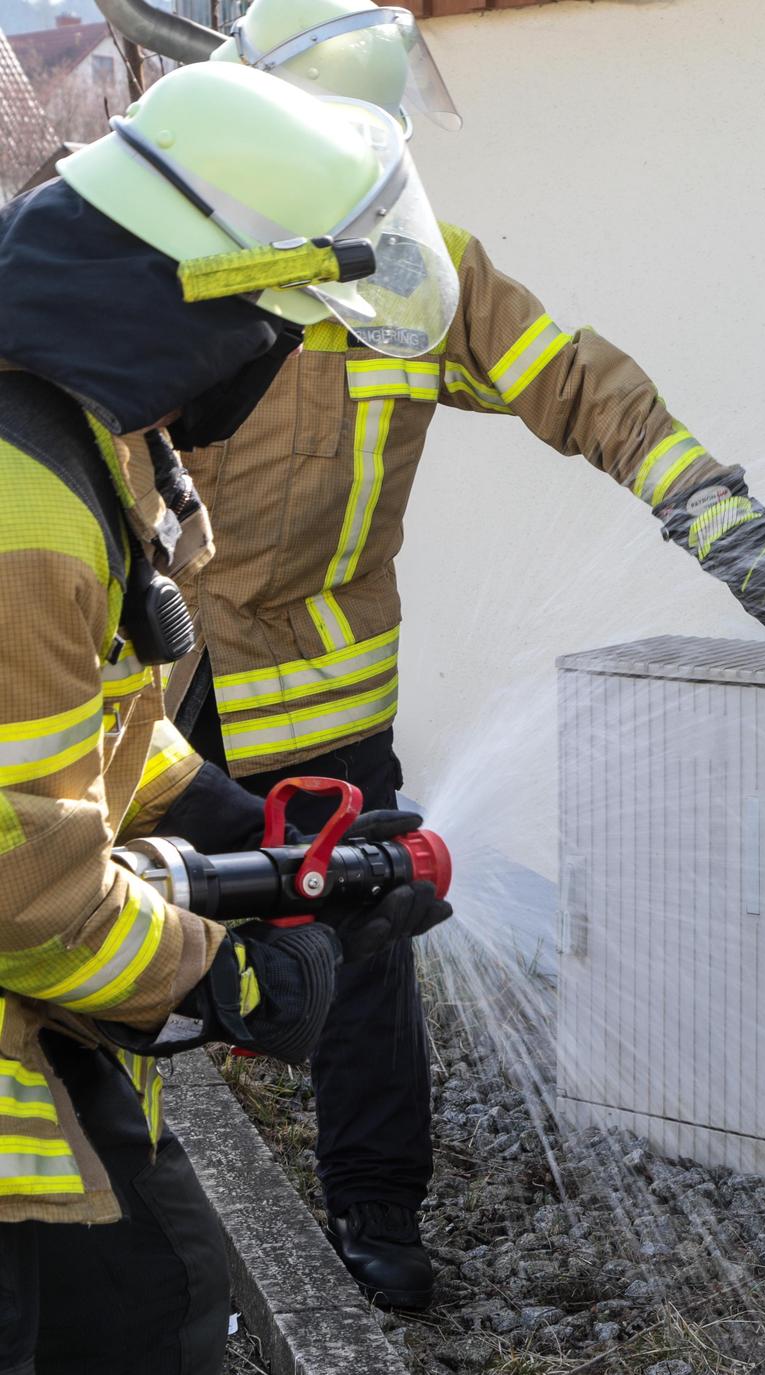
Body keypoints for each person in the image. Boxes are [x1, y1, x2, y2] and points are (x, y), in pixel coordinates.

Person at [135, 0, 765, 1311]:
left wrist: (726, 527)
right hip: (158, 699)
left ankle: (371, 1220)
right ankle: (128, 1226)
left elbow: (580, 383)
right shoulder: (165, 264)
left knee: (363, 957)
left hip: (318, 706)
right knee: (120, 946)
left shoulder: (418, 271)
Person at [0, 61, 456, 1373]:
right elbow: (27, 893)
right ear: (184, 300)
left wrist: (247, 830)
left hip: (40, 1055)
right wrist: (235, 978)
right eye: (279, 317)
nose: (278, 356)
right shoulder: (24, 498)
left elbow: (83, 720)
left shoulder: (75, 435)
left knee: (163, 1312)